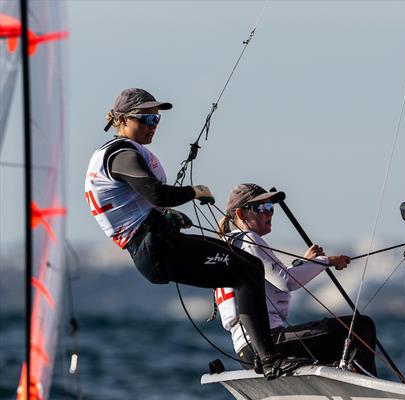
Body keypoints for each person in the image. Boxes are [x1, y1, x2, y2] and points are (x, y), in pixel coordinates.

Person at [84, 88, 277, 362]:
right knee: (247, 272)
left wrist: (167, 215)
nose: (153, 125)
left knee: (250, 266)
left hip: (158, 241)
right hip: (156, 249)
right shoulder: (122, 154)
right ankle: (268, 358)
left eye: (156, 119)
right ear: (123, 120)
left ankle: (264, 356)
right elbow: (156, 194)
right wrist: (194, 192)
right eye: (146, 119)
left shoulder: (113, 153)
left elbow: (137, 206)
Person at [215, 183, 377, 377]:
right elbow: (286, 282)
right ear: (241, 214)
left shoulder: (227, 246)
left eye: (270, 207)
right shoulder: (248, 239)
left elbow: (272, 282)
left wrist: (304, 263)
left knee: (340, 344)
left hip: (247, 351)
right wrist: (327, 261)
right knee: (360, 327)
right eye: (261, 208)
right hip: (269, 344)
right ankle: (367, 383)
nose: (269, 213)